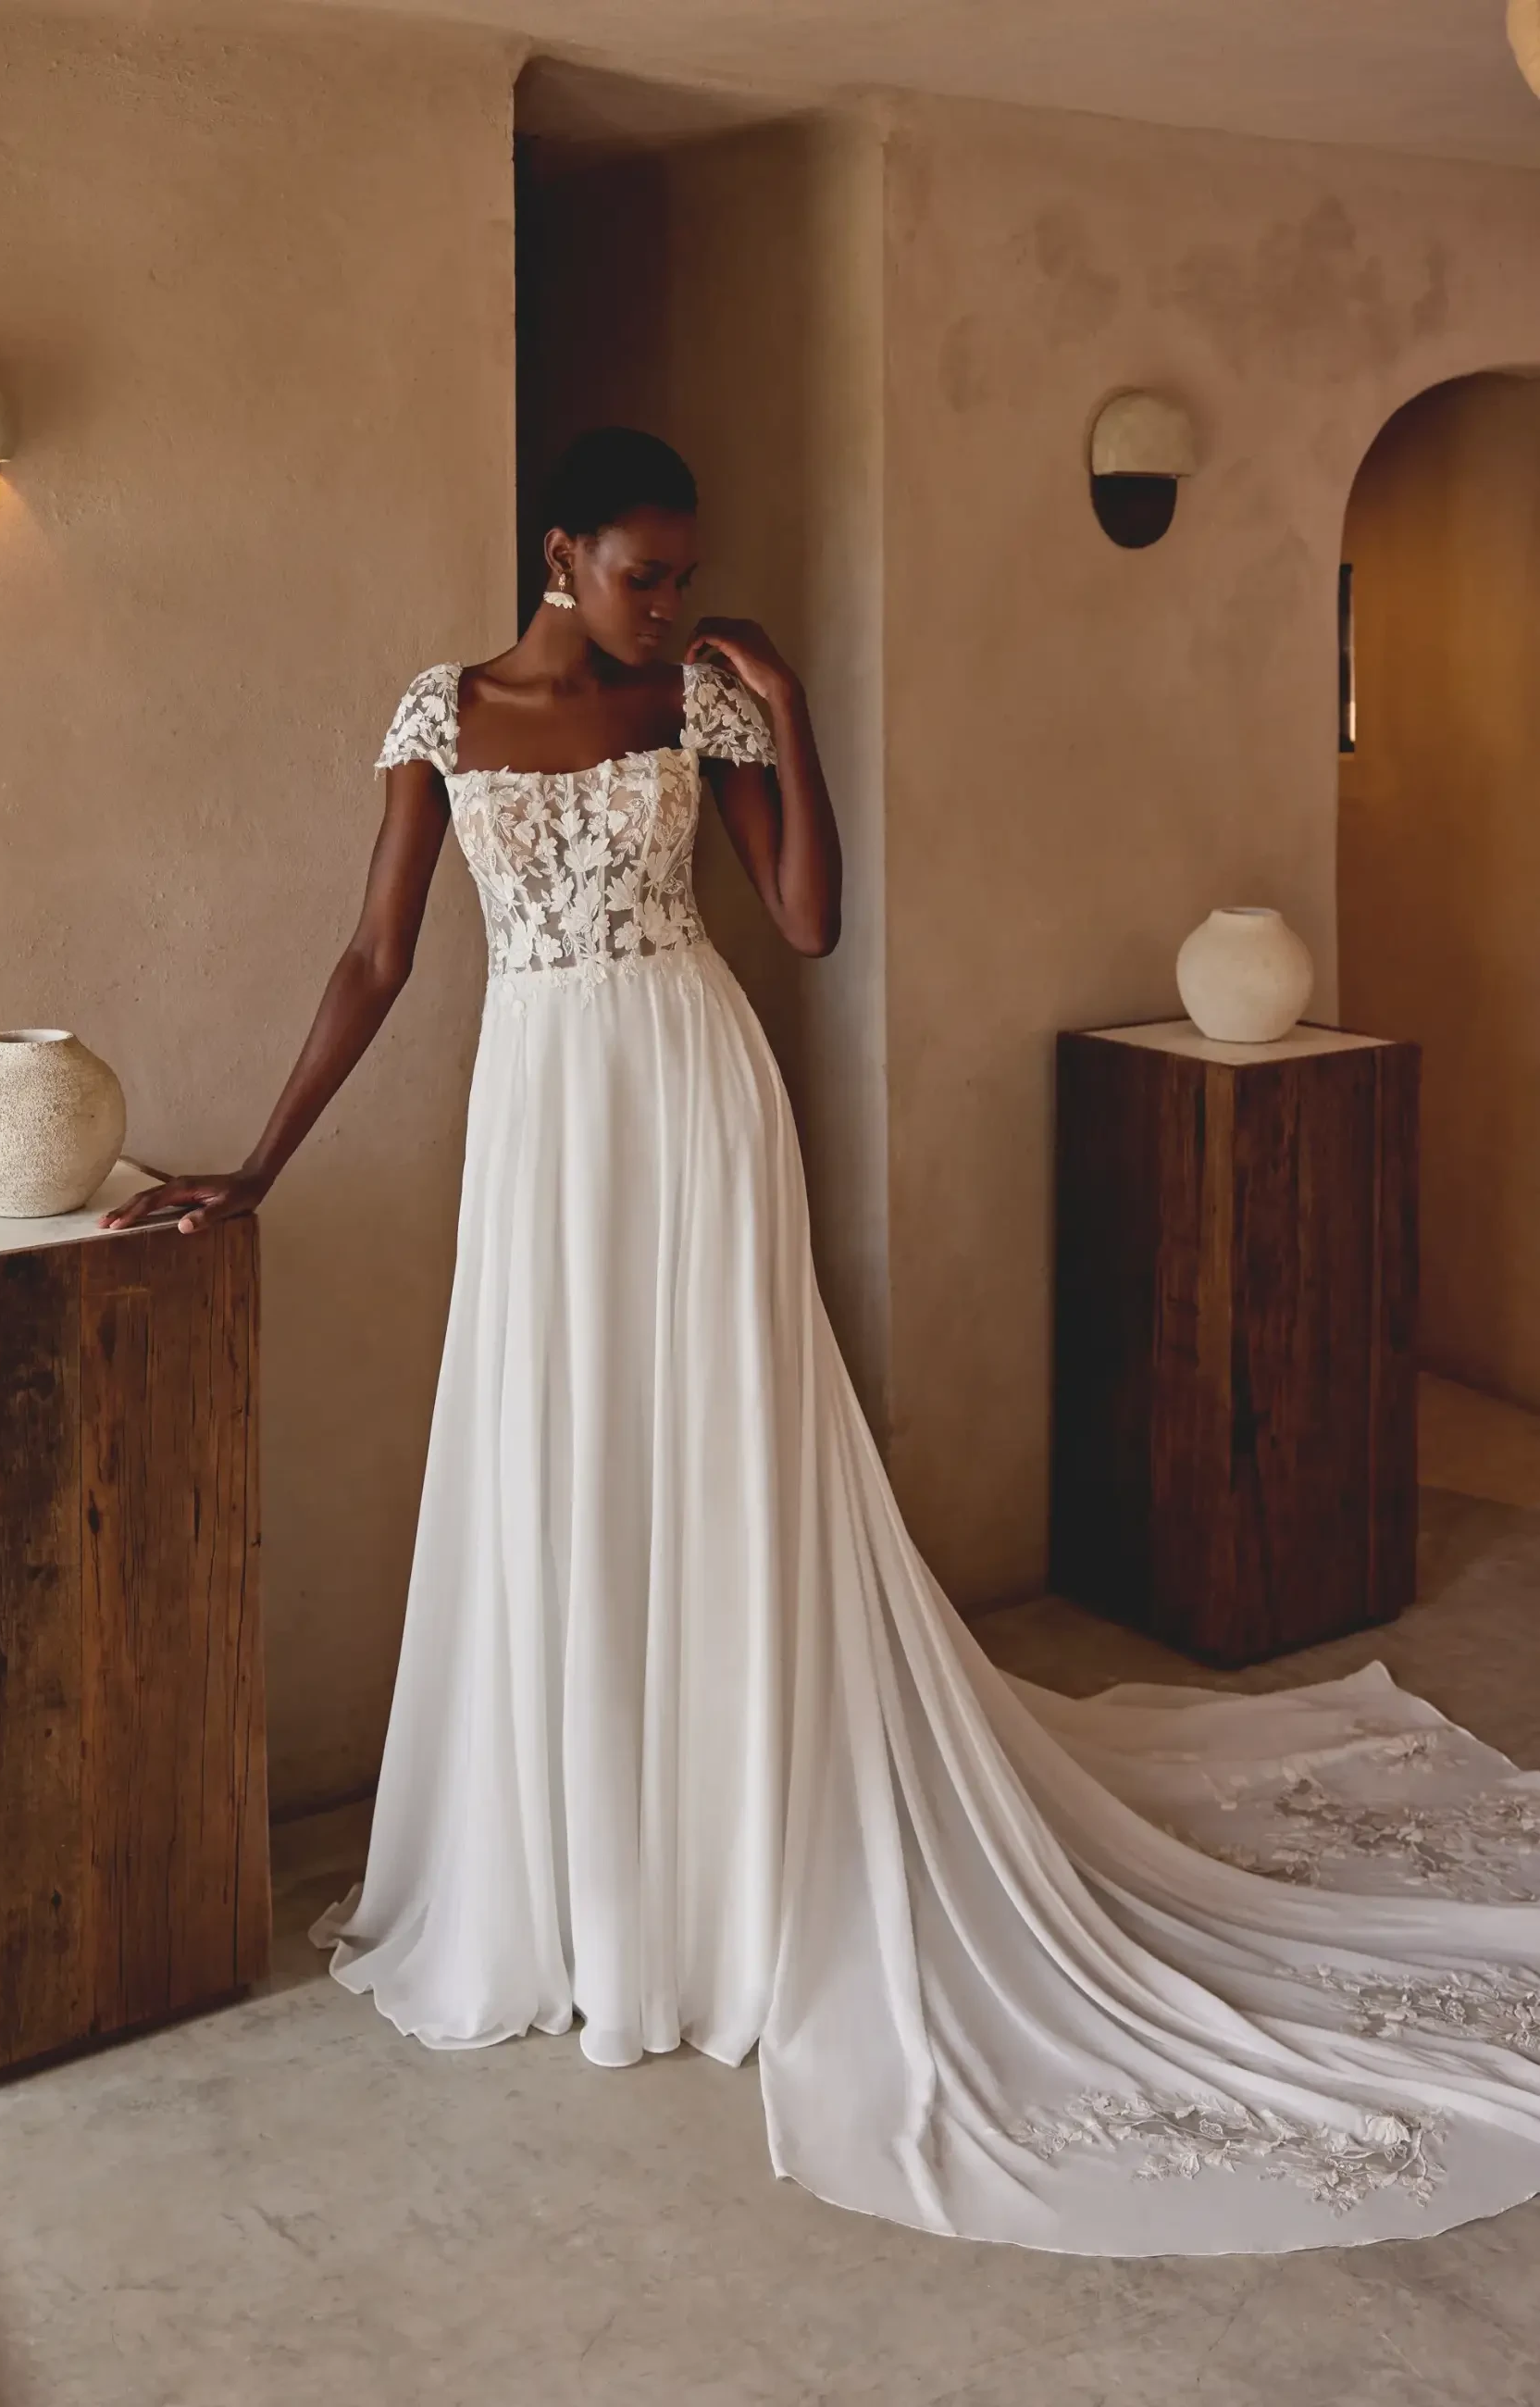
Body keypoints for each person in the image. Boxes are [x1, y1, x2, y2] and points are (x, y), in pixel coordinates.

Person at [107, 427, 1540, 2256]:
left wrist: (781, 711)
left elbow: (801, 919)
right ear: (559, 551)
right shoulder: (439, 711)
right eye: (642, 572)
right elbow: (376, 960)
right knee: (565, 1463)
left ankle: (731, 1863)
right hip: (544, 1114)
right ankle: (584, 1883)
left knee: (718, 1457)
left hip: (697, 1086)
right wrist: (256, 1166)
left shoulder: (690, 701)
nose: (670, 601)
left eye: (686, 575)